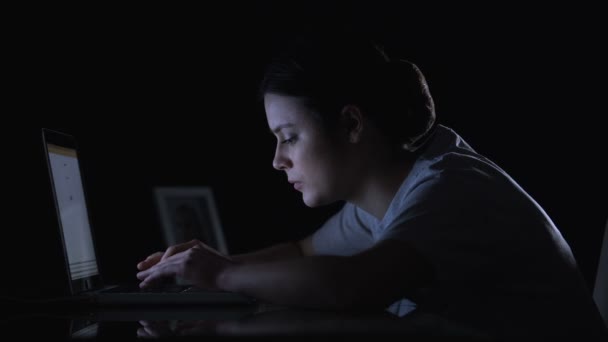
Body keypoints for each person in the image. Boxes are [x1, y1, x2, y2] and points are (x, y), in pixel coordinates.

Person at [136, 32, 607, 340]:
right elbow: (307, 256)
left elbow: (354, 287)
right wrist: (196, 272)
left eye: (289, 138)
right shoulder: (394, 187)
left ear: (352, 124)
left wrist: (219, 276)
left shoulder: (449, 188)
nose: (278, 160)